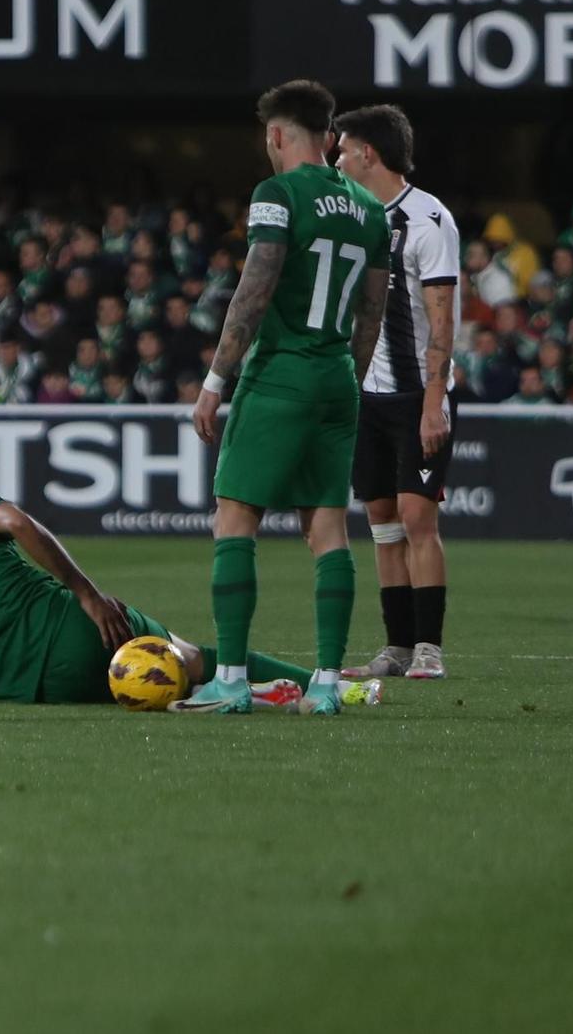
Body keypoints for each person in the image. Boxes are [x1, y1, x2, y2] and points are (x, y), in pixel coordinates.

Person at [177, 81, 391, 717]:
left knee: (235, 518)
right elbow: (371, 313)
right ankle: (326, 683)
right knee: (328, 527)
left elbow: (256, 286)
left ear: (276, 134)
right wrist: (343, 378)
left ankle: (233, 680)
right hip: (336, 380)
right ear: (329, 138)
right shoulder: (371, 209)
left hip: (280, 375)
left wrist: (216, 381)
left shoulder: (276, 195)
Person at [0, 481, 359, 710]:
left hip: (42, 694)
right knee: (195, 659)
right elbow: (18, 523)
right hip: (79, 633)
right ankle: (336, 687)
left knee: (164, 684)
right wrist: (87, 593)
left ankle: (252, 698)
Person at [329, 105, 461, 682]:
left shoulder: (428, 220)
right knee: (381, 519)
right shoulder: (351, 217)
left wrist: (434, 401)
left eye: (343, 148)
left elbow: (442, 321)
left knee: (416, 517)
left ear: (368, 154)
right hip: (366, 396)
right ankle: (397, 647)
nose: (336, 157)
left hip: (416, 397)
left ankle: (429, 647)